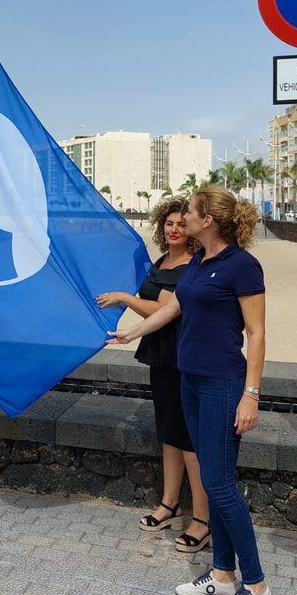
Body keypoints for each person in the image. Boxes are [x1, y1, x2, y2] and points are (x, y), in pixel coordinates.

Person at [109, 187, 270, 595]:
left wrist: (250, 394)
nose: (185, 216)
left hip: (222, 383)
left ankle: (255, 584)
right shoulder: (198, 262)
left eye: (191, 212)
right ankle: (221, 573)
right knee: (213, 477)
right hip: (190, 381)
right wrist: (130, 334)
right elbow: (173, 307)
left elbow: (256, 334)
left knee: (219, 484)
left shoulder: (242, 265)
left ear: (207, 221)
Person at [97, 197, 209, 552]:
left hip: (182, 356)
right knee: (169, 435)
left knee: (190, 440)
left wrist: (124, 298)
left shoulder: (192, 264)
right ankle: (170, 503)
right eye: (169, 224)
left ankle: (202, 519)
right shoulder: (162, 260)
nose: (174, 229)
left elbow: (165, 309)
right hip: (159, 355)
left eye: (180, 224)